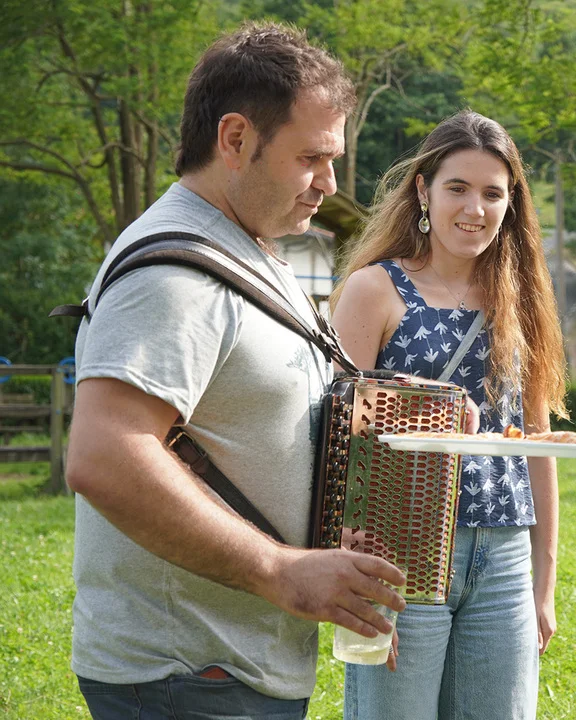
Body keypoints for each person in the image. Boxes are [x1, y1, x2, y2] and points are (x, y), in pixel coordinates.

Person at [64, 22, 408, 718]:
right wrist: (278, 569)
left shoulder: (250, 250)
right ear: (235, 139)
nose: (329, 183)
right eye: (311, 157)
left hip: (233, 668)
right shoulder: (172, 274)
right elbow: (104, 456)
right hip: (188, 672)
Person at [330, 109, 568, 719]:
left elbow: (536, 441)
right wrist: (352, 568)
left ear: (511, 203)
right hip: (400, 549)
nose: (474, 208)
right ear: (423, 191)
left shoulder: (521, 299)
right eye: (457, 188)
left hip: (505, 553)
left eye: (493, 193)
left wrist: (543, 582)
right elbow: (336, 432)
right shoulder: (375, 289)